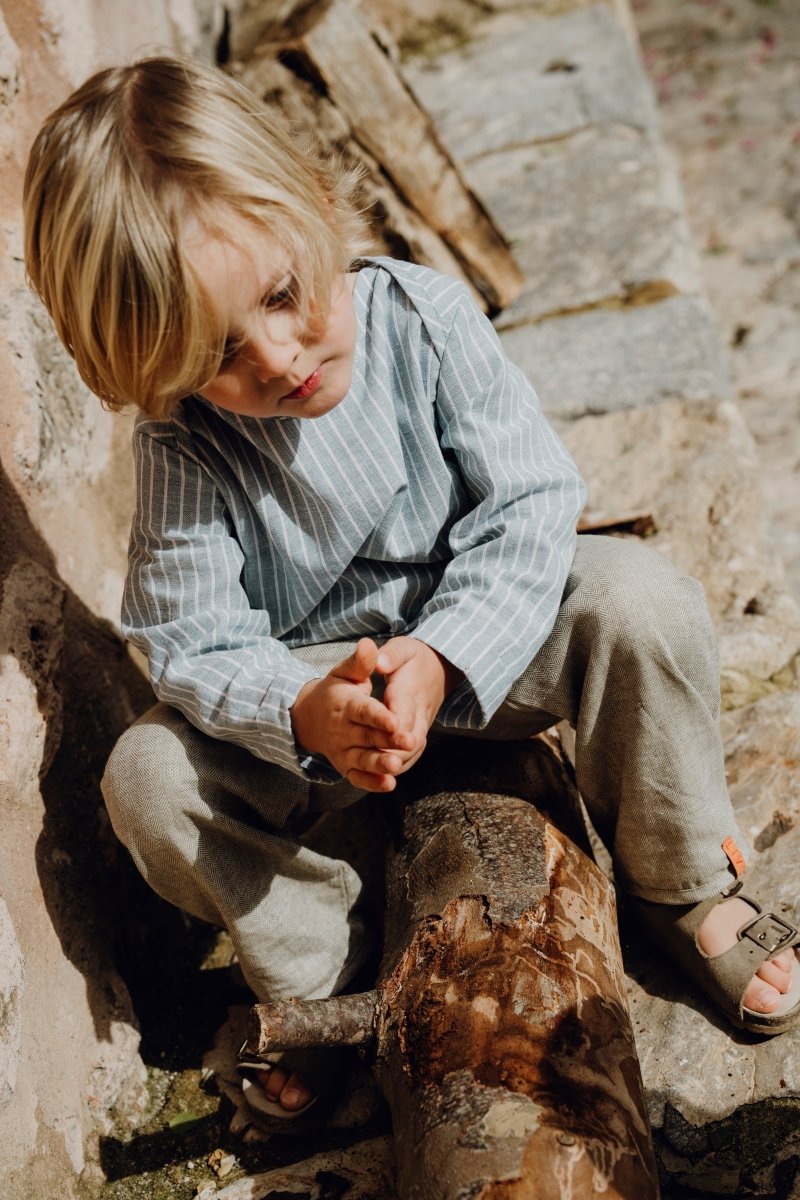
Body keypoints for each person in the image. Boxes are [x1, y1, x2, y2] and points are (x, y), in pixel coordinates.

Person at [23, 55, 800, 1127]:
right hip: (334, 726)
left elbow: (527, 505)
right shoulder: (187, 450)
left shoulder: (418, 321)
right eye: (218, 353)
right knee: (146, 776)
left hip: (487, 652)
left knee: (640, 598)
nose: (279, 356)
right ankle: (321, 970)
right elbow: (190, 637)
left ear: (312, 207)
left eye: (285, 296)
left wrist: (441, 653)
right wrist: (298, 709)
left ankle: (677, 879)